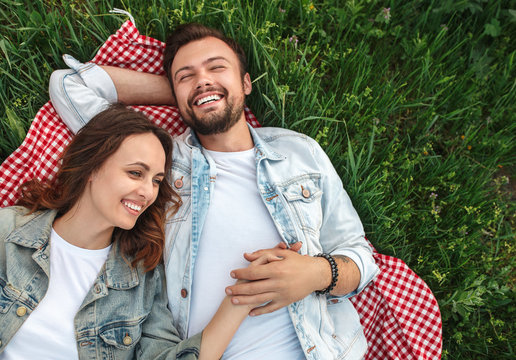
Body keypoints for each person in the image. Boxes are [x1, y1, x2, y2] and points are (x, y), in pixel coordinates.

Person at [49, 23, 380, 359]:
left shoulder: (299, 153)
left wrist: (316, 273)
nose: (202, 79)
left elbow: (360, 256)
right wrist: (196, 93)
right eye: (185, 75)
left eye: (217, 67)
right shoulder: (159, 160)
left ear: (246, 82)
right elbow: (70, 84)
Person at [0, 105, 262, 359]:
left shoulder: (140, 276)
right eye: (136, 173)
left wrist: (242, 297)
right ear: (92, 167)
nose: (147, 192)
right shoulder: (6, 232)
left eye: (156, 180)